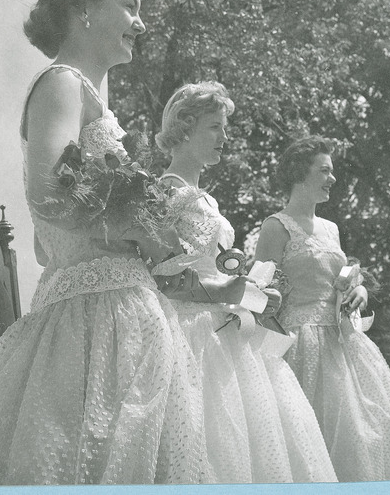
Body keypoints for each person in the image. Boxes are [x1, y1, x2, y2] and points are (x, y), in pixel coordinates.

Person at [0, 0, 210, 485]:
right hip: (96, 317)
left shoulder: (90, 99)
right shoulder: (61, 82)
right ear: (83, 6)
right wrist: (137, 227)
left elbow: (46, 243)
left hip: (117, 308)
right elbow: (46, 194)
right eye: (129, 6)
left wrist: (157, 234)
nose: (141, 21)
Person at [153, 83, 337, 483]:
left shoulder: (205, 198)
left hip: (222, 325)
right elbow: (161, 277)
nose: (225, 137)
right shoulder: (166, 191)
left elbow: (219, 268)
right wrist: (230, 291)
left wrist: (255, 293)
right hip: (189, 331)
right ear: (184, 128)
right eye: (215, 127)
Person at [254, 135, 390, 481]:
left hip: (343, 340)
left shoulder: (331, 229)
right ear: (298, 172)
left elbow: (342, 279)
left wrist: (360, 290)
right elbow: (262, 294)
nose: (333, 179)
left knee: (367, 429)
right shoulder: (276, 226)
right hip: (299, 343)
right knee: (312, 435)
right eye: (325, 170)